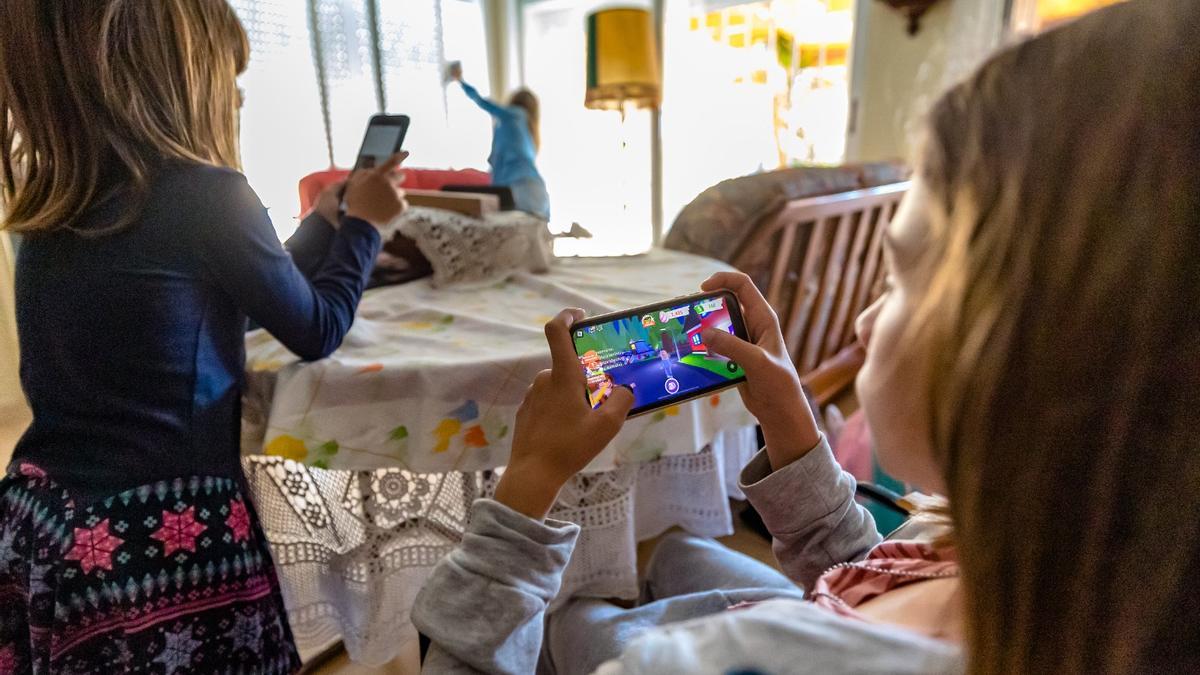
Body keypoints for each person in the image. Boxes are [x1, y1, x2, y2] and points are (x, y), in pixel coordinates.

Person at [412, 0, 1200, 673]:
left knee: (574, 619)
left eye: (897, 280)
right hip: (815, 597)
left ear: (1011, 354)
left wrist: (526, 490)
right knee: (679, 552)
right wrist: (791, 428)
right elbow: (870, 581)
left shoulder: (719, 659)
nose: (863, 321)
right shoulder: (1052, 564)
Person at [0, 1, 407, 672]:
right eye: (229, 73)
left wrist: (323, 225)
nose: (240, 93)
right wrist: (364, 227)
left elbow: (216, 305)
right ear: (182, 77)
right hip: (166, 542)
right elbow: (318, 326)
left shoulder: (54, 205)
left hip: (54, 522)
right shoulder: (209, 194)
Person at [447, 62, 551, 221]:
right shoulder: (529, 132)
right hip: (536, 191)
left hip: (519, 189)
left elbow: (485, 103)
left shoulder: (516, 114)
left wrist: (461, 81)